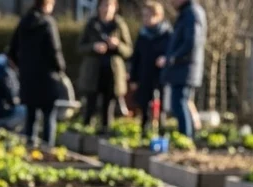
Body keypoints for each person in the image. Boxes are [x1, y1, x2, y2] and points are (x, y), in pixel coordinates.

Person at [8, 0, 66, 148]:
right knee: (49, 117)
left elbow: (12, 51)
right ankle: (48, 152)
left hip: (28, 77)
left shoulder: (23, 23)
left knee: (31, 116)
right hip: (47, 78)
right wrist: (60, 69)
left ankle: (29, 148)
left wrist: (23, 67)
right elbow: (55, 50)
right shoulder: (48, 23)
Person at [78, 0, 132, 133]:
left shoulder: (119, 25)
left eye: (110, 6)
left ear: (115, 8)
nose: (107, 9)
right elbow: (80, 47)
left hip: (112, 72)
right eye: (104, 5)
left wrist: (117, 45)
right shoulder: (92, 24)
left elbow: (129, 50)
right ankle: (86, 132)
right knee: (90, 104)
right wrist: (93, 47)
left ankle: (105, 132)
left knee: (108, 106)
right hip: (94, 72)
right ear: (99, 7)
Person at [159, 0, 206, 138]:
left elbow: (192, 42)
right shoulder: (187, 13)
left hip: (185, 69)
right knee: (181, 104)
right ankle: (186, 138)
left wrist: (172, 58)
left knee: (180, 104)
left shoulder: (192, 13)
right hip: (182, 69)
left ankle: (186, 139)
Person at [129, 2, 171, 133]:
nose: (145, 19)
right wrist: (133, 78)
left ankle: (161, 131)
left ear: (158, 16)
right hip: (144, 74)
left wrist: (165, 59)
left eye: (148, 16)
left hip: (161, 76)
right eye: (144, 16)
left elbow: (172, 54)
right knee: (144, 104)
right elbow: (136, 57)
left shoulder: (168, 34)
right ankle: (144, 131)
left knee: (162, 105)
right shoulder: (142, 35)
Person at [0, 54, 25, 131]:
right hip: (0, 114)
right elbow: (10, 98)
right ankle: (12, 130)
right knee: (24, 110)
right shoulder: (4, 75)